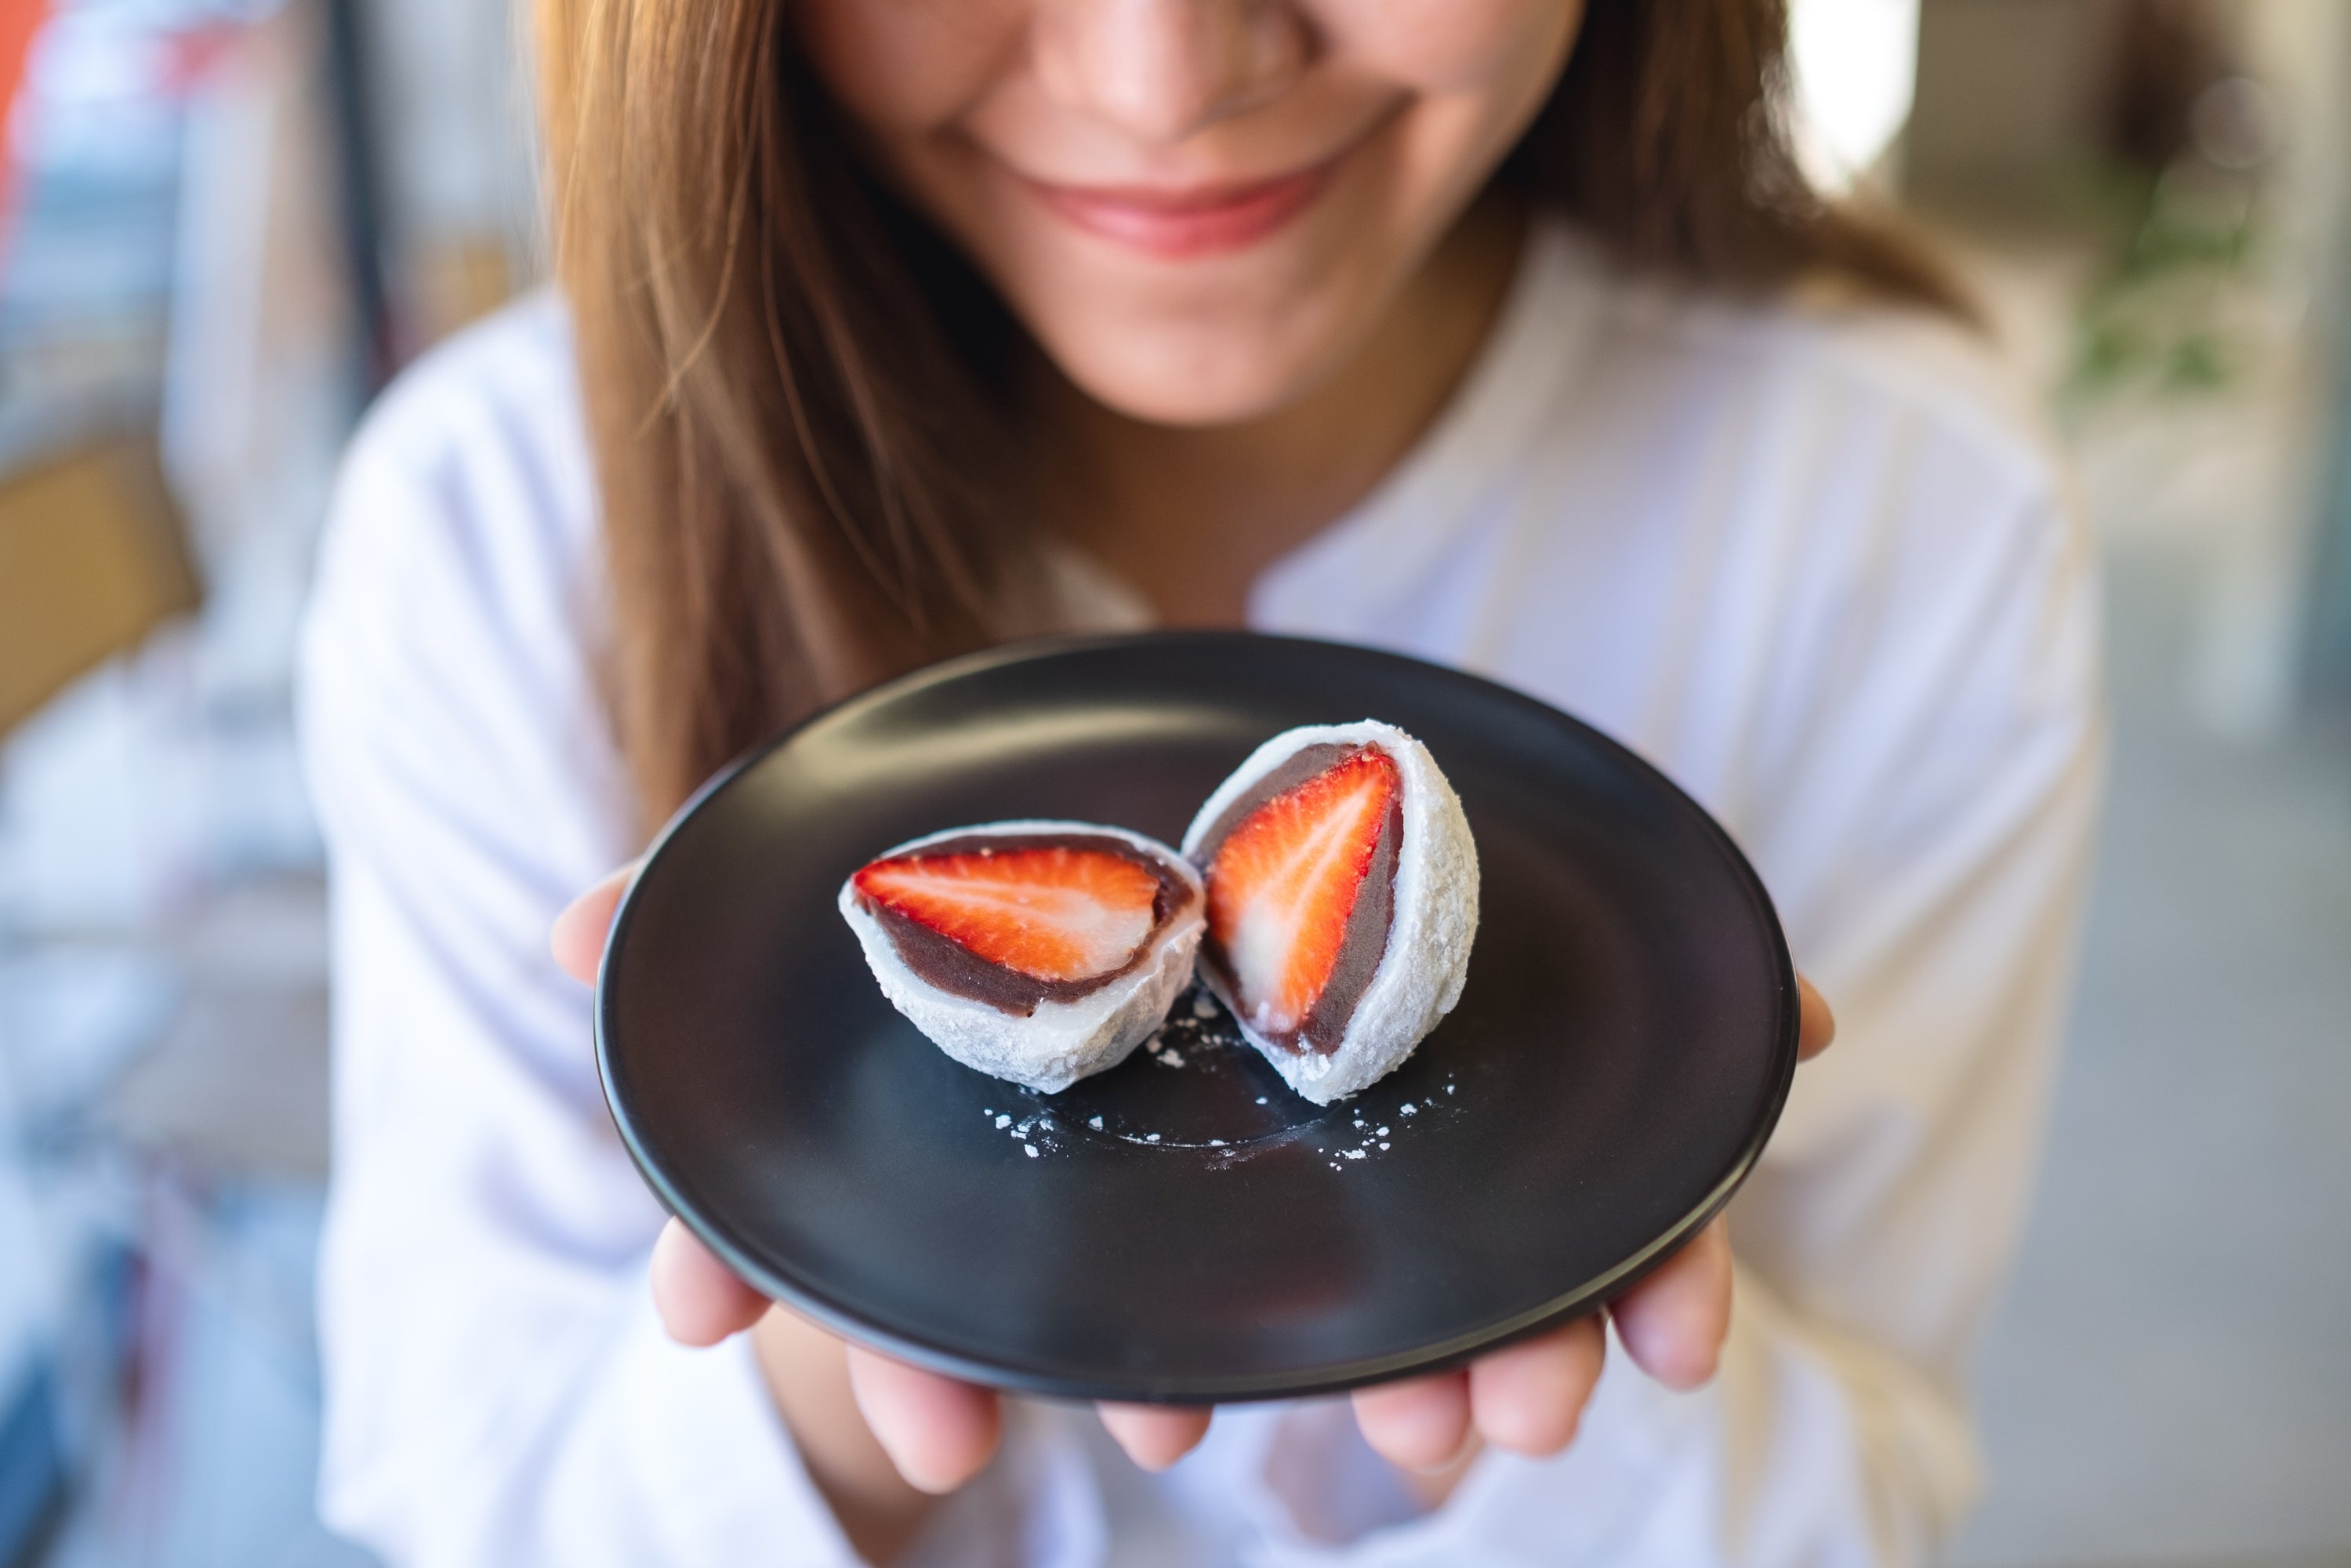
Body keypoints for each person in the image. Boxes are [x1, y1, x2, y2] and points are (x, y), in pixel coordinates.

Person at [296, 0, 2102, 1563]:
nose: (1164, 80)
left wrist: (1556, 1346)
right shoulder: (504, 532)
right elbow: (478, 1491)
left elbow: (1860, 1505)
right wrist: (833, 1366)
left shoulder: (1902, 513)